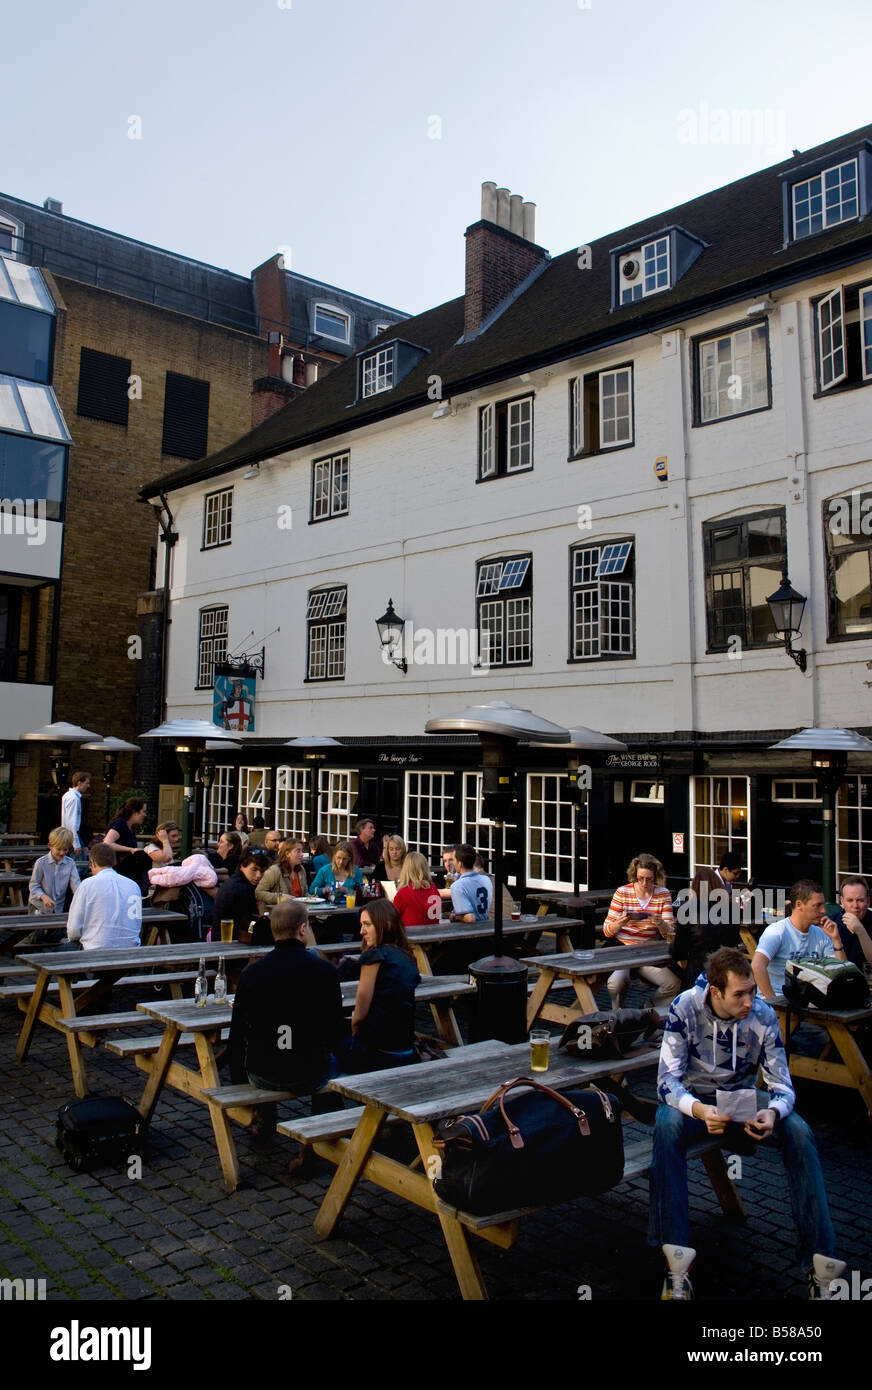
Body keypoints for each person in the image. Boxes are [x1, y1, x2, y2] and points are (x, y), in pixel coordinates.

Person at [650, 946, 844, 1301]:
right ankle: (676, 1263)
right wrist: (698, 1110)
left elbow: (782, 1085)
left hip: (742, 1103)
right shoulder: (684, 1008)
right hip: (697, 1106)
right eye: (739, 994)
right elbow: (666, 1081)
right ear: (715, 992)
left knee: (799, 1130)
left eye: (752, 991)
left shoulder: (763, 1015)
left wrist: (773, 1112)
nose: (749, 1001)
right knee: (667, 1124)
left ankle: (822, 1266)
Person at [228, 900, 345, 1149]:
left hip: (263, 1071)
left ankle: (265, 1116)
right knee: (334, 1058)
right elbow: (335, 1030)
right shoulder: (325, 972)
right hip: (310, 1072)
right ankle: (322, 1131)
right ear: (303, 930)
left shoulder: (251, 973)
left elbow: (237, 1033)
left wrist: (238, 1078)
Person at [339, 900, 420, 1073]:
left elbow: (360, 1014)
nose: (361, 931)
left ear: (386, 924)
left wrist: (354, 1037)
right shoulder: (408, 956)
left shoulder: (375, 956)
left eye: (367, 925)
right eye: (361, 925)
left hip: (379, 1052)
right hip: (406, 1050)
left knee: (325, 1050)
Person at [602, 853, 680, 1010]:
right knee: (616, 983)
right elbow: (607, 931)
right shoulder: (622, 892)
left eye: (649, 879)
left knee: (674, 983)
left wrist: (661, 923)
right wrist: (620, 923)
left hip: (647, 951)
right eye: (640, 878)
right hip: (623, 948)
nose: (645, 883)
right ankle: (617, 1015)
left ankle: (648, 1011)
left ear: (656, 877)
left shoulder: (663, 894)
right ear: (634, 876)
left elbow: (669, 934)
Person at [752, 879, 846, 999]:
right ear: (799, 905)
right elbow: (757, 966)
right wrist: (774, 1002)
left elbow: (841, 973)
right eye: (817, 906)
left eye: (823, 904)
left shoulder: (820, 933)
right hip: (779, 999)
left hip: (809, 1001)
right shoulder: (777, 931)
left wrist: (836, 940)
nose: (823, 910)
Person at [671, 851, 744, 987]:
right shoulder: (732, 909)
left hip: (697, 975)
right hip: (724, 974)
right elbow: (735, 941)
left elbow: (678, 951)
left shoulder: (688, 909)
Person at [65, 843, 142, 950]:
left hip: (95, 949)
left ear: (92, 863)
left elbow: (73, 930)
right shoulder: (133, 885)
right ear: (114, 862)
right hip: (131, 948)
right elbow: (137, 923)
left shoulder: (87, 884)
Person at [212, 848, 266, 942]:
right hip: (231, 941)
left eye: (262, 871)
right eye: (254, 870)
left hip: (220, 938)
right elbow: (250, 925)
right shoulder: (243, 889)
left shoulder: (233, 882)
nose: (258, 875)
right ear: (242, 866)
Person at [28, 827, 80, 914]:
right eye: (59, 849)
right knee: (37, 927)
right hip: (38, 905)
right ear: (50, 846)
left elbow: (76, 885)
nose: (62, 853)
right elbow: (33, 885)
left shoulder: (70, 863)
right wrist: (43, 896)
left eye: (65, 849)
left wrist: (80, 897)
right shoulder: (41, 863)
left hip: (58, 906)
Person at [829, 875, 872, 969]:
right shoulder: (832, 924)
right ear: (842, 901)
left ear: (868, 902)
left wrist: (861, 931)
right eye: (850, 900)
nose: (855, 906)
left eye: (860, 900)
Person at [393, 851, 442, 927]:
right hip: (433, 933)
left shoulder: (403, 893)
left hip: (410, 935)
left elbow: (393, 917)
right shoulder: (434, 890)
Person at [449, 843, 493, 922]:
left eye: (453, 860)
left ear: (460, 864)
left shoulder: (457, 886)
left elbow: (470, 918)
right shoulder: (486, 879)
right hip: (487, 926)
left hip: (471, 931)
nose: (453, 863)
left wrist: (455, 917)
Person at [256, 840, 308, 906]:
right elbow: (258, 893)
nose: (302, 854)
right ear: (287, 854)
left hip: (297, 911)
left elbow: (304, 893)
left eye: (302, 851)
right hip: (277, 912)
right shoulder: (274, 870)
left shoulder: (301, 870)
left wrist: (310, 898)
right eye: (298, 851)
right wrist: (280, 898)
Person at [61, 771, 90, 856]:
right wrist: (76, 843)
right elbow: (72, 822)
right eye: (87, 783)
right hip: (72, 836)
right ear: (79, 783)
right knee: (80, 866)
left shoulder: (68, 795)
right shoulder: (74, 799)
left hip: (67, 835)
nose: (88, 786)